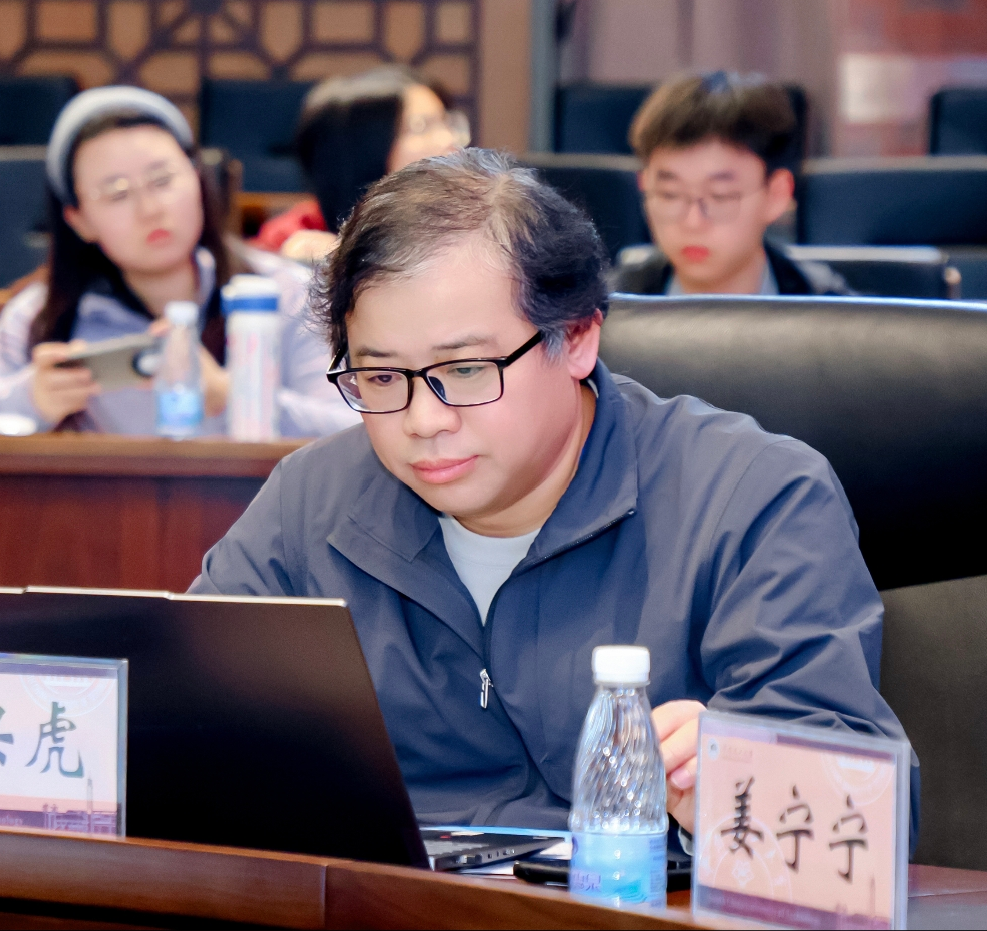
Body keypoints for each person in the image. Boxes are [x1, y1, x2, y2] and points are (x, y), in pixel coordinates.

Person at [191, 149, 916, 842]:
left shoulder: (755, 499)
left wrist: (740, 779)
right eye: (381, 377)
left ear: (575, 339)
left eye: (465, 370)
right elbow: (178, 724)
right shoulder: (310, 502)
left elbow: (863, 819)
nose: (422, 421)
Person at [0, 86, 359, 437]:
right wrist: (28, 397)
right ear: (79, 220)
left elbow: (357, 431)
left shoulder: (284, 293)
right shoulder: (42, 315)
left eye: (162, 179)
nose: (150, 209)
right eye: (117, 193)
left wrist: (232, 397)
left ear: (197, 180)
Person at [612, 71, 850, 296]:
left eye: (720, 196)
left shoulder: (831, 312)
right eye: (669, 194)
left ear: (776, 195)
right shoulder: (605, 310)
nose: (693, 223)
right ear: (644, 186)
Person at [252, 66, 469, 263]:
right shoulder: (291, 236)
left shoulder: (467, 222)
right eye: (421, 127)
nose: (448, 139)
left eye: (446, 121)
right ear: (364, 149)